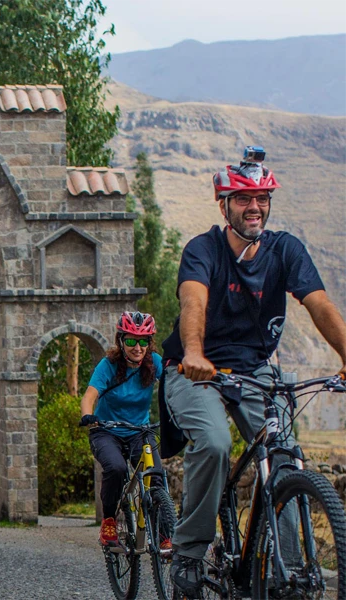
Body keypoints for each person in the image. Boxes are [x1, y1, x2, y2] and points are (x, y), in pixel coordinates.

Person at [161, 147, 346, 597]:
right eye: (244, 198)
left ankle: (286, 570)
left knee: (283, 455)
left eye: (262, 197)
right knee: (216, 442)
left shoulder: (285, 250)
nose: (255, 207)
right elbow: (193, 301)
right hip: (194, 369)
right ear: (224, 204)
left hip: (254, 372)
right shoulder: (202, 250)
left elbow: (318, 303)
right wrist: (193, 351)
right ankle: (188, 550)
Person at [79, 311, 164, 548]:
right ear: (121, 341)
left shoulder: (154, 362)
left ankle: (165, 531)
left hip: (139, 430)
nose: (137, 347)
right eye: (130, 340)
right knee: (115, 468)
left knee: (155, 473)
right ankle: (108, 521)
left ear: (150, 342)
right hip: (106, 430)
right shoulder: (108, 365)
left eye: (143, 341)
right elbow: (90, 396)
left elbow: (174, 386)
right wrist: (88, 415)